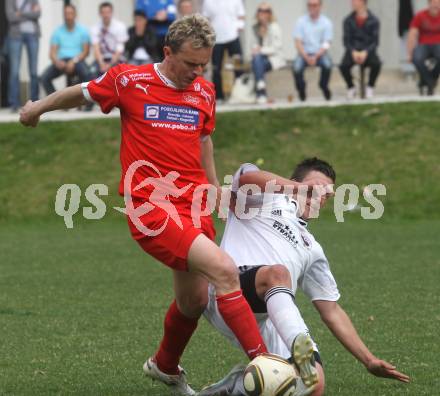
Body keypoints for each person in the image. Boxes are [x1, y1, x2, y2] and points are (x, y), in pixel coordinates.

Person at [19, 15, 333, 396]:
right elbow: (80, 92)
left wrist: (215, 187)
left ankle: (165, 366)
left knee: (194, 300)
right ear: (167, 52)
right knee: (224, 268)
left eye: (204, 65)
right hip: (152, 206)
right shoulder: (129, 81)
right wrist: (37, 109)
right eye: (189, 64)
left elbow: (204, 141)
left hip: (195, 204)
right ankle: (265, 363)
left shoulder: (203, 92)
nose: (197, 72)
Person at [200, 159, 410, 396]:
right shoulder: (264, 199)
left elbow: (331, 310)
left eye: (326, 195)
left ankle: (235, 387)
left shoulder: (312, 247)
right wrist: (296, 188)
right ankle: (298, 344)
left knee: (314, 386)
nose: (319, 195)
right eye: (314, 186)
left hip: (264, 319)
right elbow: (247, 177)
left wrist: (368, 360)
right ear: (294, 183)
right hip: (226, 292)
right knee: (278, 273)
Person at [39, 4, 90, 96]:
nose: (68, 16)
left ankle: (86, 103)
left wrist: (74, 61)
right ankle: (57, 101)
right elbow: (52, 53)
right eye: (66, 14)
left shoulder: (83, 31)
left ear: (75, 15)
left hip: (77, 60)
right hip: (61, 61)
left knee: (87, 74)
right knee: (44, 77)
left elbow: (86, 52)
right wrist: (57, 61)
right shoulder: (57, 31)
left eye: (70, 13)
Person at [203, 0, 245, 101]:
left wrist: (238, 26)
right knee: (216, 68)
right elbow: (206, 19)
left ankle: (241, 94)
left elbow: (241, 15)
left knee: (238, 66)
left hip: (233, 37)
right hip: (216, 39)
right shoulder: (207, 2)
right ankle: (219, 97)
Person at [339, 0, 381, 100]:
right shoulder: (348, 20)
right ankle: (351, 87)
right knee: (343, 66)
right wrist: (353, 51)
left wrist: (365, 52)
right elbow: (346, 40)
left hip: (368, 51)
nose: (352, 2)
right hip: (353, 51)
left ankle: (370, 87)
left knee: (377, 64)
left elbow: (375, 42)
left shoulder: (374, 20)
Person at [293, 0, 333, 102]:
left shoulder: (326, 22)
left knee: (328, 65)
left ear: (320, 6)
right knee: (296, 68)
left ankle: (323, 85)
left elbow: (327, 43)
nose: (312, 7)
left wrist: (316, 56)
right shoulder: (300, 21)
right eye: (309, 5)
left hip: (320, 53)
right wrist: (306, 57)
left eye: (314, 5)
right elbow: (298, 42)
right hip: (304, 53)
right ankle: (301, 89)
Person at [5, 0, 41, 112]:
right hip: (15, 35)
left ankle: (35, 103)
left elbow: (38, 14)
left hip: (33, 35)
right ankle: (14, 103)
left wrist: (20, 14)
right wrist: (29, 14)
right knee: (15, 71)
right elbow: (11, 17)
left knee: (34, 71)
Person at [250, 2, 285, 105]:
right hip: (260, 58)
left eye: (266, 11)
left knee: (257, 61)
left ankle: (260, 92)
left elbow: (276, 48)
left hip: (274, 58)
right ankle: (261, 89)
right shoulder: (255, 27)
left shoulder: (274, 27)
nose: (263, 13)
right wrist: (256, 49)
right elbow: (252, 45)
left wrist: (260, 50)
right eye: (260, 10)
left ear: (270, 13)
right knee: (257, 59)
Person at [407, 0, 440, 96]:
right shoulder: (420, 16)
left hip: (438, 44)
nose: (436, 6)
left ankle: (425, 81)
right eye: (434, 3)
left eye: (438, 3)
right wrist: (409, 53)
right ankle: (430, 82)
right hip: (423, 44)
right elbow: (412, 34)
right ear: (429, 4)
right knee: (416, 58)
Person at [90, 2, 128, 77]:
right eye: (103, 12)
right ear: (100, 14)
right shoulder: (95, 28)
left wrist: (109, 65)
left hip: (117, 59)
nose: (106, 15)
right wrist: (101, 64)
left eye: (108, 12)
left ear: (112, 13)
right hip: (101, 60)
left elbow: (120, 49)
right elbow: (96, 48)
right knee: (90, 73)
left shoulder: (120, 26)